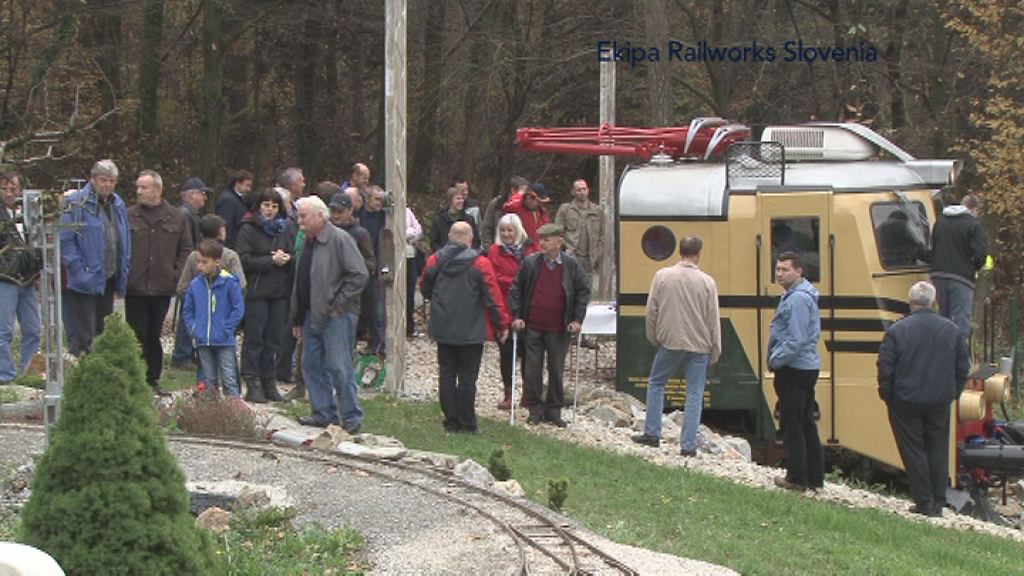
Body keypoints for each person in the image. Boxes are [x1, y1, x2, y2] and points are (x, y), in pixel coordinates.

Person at [878, 281, 968, 517]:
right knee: (938, 448)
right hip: (939, 400)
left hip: (905, 401)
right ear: (933, 302)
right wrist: (952, 393)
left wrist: (888, 396)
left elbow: (885, 368)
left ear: (910, 302)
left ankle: (924, 501)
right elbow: (962, 368)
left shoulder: (896, 331)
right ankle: (939, 498)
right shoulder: (952, 330)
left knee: (913, 449)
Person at [631, 236, 721, 456]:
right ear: (698, 253)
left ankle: (652, 433)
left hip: (670, 342)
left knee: (656, 383)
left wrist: (654, 337)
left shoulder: (662, 276)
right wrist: (715, 348)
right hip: (699, 345)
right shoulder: (707, 282)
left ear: (679, 252)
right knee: (695, 393)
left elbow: (651, 311)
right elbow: (713, 318)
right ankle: (688, 445)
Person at [421, 222, 509, 433]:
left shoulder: (435, 259)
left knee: (447, 373)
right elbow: (492, 296)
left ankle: (451, 422)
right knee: (468, 377)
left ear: (449, 237)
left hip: (443, 326)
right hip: (471, 327)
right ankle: (468, 423)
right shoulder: (480, 263)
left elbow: (424, 287)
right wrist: (501, 323)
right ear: (470, 239)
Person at [291, 196, 368, 432]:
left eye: (303, 216)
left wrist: (338, 305)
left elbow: (359, 274)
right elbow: (302, 279)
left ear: (319, 216)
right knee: (311, 365)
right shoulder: (308, 240)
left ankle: (352, 417)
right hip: (311, 314)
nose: (299, 220)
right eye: (298, 215)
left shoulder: (339, 239)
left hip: (336, 316)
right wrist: (296, 317)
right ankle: (323, 413)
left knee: (339, 366)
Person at [508, 223, 590, 427]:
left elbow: (583, 290)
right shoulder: (531, 263)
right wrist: (517, 315)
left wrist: (577, 320)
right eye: (540, 239)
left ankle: (554, 410)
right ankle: (535, 409)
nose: (541, 243)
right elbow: (516, 288)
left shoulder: (570, 265)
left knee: (556, 369)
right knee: (532, 370)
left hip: (559, 327)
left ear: (559, 242)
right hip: (533, 325)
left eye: (546, 240)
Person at [125, 170, 193, 395]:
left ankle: (152, 378)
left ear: (157, 189)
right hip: (134, 286)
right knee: (137, 334)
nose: (139, 191)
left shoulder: (176, 217)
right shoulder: (128, 215)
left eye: (144, 187)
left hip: (162, 285)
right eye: (138, 187)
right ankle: (135, 378)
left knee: (153, 334)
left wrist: (176, 275)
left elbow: (185, 249)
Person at [60, 159, 131, 356]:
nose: (107, 184)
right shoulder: (75, 203)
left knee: (102, 333)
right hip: (84, 279)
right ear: (92, 179)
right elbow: (65, 240)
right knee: (83, 336)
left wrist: (122, 272)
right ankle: (82, 377)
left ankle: (99, 375)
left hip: (108, 278)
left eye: (111, 181)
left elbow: (124, 239)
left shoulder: (118, 204)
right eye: (103, 180)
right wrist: (78, 270)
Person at [768, 251, 824, 492]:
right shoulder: (799, 295)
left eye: (785, 269)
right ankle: (814, 477)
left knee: (794, 425)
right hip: (805, 367)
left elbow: (796, 338)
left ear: (799, 271)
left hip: (794, 367)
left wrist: (776, 359)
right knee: (805, 422)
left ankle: (797, 478)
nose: (779, 274)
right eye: (778, 269)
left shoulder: (798, 299)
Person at [236, 188, 296, 403]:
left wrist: (288, 259)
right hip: (257, 290)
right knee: (255, 339)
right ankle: (252, 381)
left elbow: (293, 252)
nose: (270, 210)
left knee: (273, 339)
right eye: (266, 205)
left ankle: (268, 380)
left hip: (279, 291)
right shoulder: (248, 229)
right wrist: (270, 261)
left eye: (274, 206)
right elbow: (242, 259)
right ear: (258, 206)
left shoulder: (285, 228)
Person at [172, 214, 246, 368]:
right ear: (222, 232)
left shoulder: (193, 256)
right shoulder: (230, 256)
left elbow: (181, 287)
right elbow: (241, 284)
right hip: (220, 312)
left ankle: (183, 355)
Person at [486, 213, 537, 409]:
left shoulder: (530, 248)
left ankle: (527, 392)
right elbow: (494, 278)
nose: (507, 234)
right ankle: (508, 392)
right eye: (503, 231)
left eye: (510, 230)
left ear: (517, 230)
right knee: (507, 353)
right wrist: (517, 280)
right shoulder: (495, 251)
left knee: (528, 353)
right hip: (505, 306)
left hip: (527, 308)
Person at [183, 240, 245, 397]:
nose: (199, 266)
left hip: (224, 340)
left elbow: (238, 308)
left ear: (217, 261)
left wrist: (228, 328)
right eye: (198, 261)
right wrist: (194, 329)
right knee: (208, 381)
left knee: (229, 379)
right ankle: (211, 414)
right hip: (203, 340)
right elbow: (188, 310)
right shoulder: (195, 284)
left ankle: (234, 415)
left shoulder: (230, 282)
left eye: (204, 262)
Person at [0, 172, 41, 383]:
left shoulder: (27, 213)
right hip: (5, 279)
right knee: (4, 332)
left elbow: (35, 241)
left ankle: (26, 374)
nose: (9, 193)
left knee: (33, 329)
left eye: (13, 188)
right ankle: (5, 376)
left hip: (27, 279)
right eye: (5, 188)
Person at [929, 194, 987, 343]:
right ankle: (958, 360)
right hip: (961, 278)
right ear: (974, 209)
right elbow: (980, 254)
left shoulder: (940, 221)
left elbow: (933, 247)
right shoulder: (973, 225)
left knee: (943, 317)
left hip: (938, 275)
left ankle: (941, 355)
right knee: (960, 320)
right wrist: (973, 268)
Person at [554, 179, 603, 279]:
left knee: (587, 289)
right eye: (578, 190)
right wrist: (566, 249)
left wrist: (598, 253)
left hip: (590, 259)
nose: (582, 192)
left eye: (584, 189)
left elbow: (603, 235)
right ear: (573, 192)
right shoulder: (565, 209)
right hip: (572, 256)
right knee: (570, 288)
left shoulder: (597, 211)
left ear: (588, 190)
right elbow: (557, 232)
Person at [359, 185, 387, 357]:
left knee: (378, 310)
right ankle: (370, 341)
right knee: (367, 309)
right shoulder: (359, 217)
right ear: (367, 199)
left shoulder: (386, 217)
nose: (380, 203)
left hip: (378, 268)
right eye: (376, 199)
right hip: (362, 266)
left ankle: (380, 345)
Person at [481, 176, 527, 252]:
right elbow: (486, 227)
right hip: (497, 249)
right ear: (513, 190)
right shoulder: (496, 204)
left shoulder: (525, 205)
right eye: (523, 191)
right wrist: (489, 249)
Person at [430, 186, 479, 252]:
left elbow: (476, 241)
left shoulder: (469, 220)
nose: (461, 201)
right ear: (450, 200)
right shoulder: (438, 220)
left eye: (462, 198)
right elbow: (434, 243)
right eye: (458, 198)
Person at [503, 182, 551, 246]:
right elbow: (506, 206)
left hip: (536, 249)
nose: (540, 204)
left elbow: (546, 231)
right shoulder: (515, 206)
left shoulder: (542, 212)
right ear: (528, 198)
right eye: (538, 201)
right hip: (517, 248)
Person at [214, 169, 253, 248]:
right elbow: (227, 226)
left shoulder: (238, 199)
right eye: (247, 185)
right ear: (237, 183)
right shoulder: (228, 200)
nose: (249, 189)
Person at [404, 206, 424, 338]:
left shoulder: (407, 211)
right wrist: (409, 232)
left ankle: (410, 327)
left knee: (410, 293)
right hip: (395, 257)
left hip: (410, 255)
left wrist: (409, 233)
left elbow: (418, 230)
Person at [179, 177, 210, 246]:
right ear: (192, 195)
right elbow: (186, 244)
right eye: (203, 194)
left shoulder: (192, 214)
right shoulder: (185, 214)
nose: (206, 198)